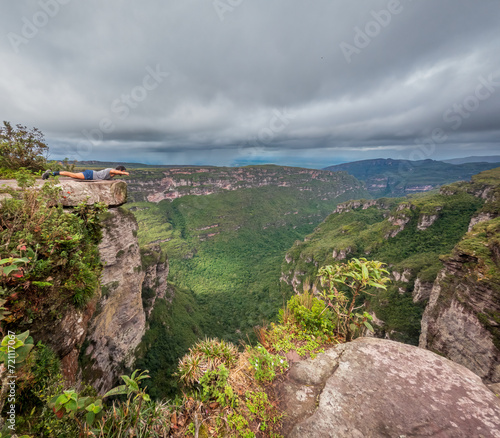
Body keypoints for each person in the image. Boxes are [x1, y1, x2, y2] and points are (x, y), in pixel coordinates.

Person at [42, 165, 129, 181]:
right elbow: (114, 171)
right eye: (123, 172)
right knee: (71, 174)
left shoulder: (113, 175)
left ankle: (51, 173)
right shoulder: (111, 170)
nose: (123, 174)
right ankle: (50, 173)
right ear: (120, 170)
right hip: (90, 175)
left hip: (91, 175)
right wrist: (125, 174)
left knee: (72, 175)